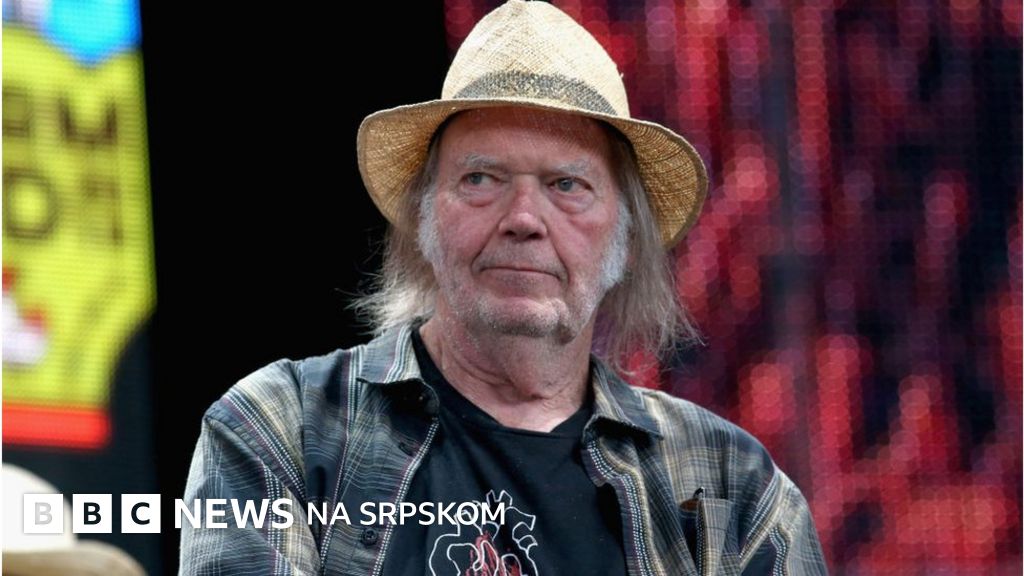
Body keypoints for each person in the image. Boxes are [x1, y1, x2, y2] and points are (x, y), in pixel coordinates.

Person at [179, 1, 827, 574]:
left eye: (566, 185)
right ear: (423, 220)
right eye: (481, 179)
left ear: (626, 239)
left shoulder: (732, 486)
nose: (522, 219)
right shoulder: (282, 428)